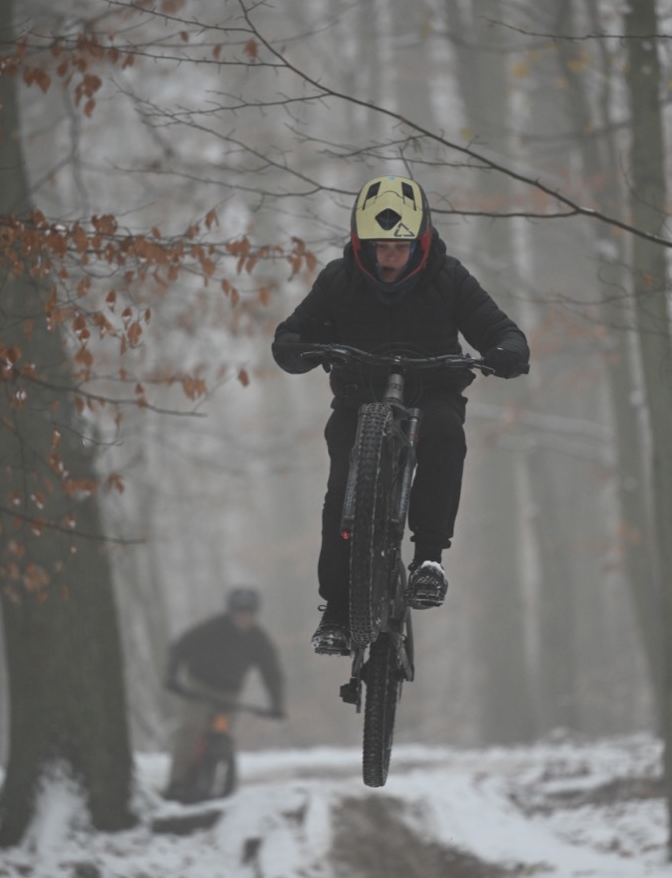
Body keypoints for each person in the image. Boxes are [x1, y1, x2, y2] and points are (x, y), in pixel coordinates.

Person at [271, 173, 529, 655]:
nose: (389, 257)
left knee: (445, 436)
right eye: (379, 247)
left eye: (400, 246)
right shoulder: (338, 280)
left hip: (431, 391)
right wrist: (294, 348)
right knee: (340, 488)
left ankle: (428, 560)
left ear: (421, 242)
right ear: (361, 244)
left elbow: (501, 330)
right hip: (358, 396)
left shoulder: (449, 277)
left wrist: (505, 352)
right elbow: (294, 332)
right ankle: (338, 610)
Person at [162, 586, 286, 800]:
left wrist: (277, 704)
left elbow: (271, 672)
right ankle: (176, 782)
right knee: (191, 729)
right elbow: (180, 647)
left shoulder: (258, 639)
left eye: (248, 614)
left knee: (221, 734)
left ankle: (216, 778)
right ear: (231, 613)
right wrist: (172, 676)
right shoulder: (212, 628)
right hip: (199, 687)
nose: (243, 618)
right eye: (239, 613)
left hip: (229, 694)